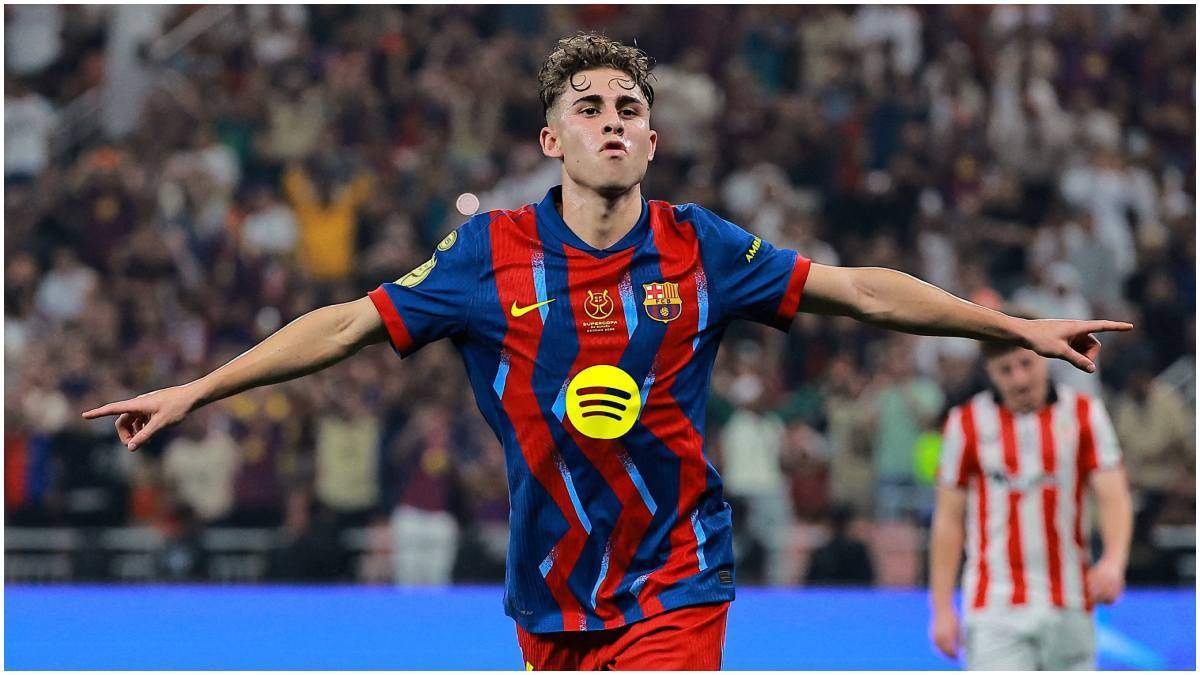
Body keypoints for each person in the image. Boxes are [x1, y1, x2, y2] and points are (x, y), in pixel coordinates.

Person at [84, 33, 1131, 670]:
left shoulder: (701, 245)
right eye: (588, 108)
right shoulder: (489, 255)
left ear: (653, 138)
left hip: (679, 569)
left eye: (631, 108)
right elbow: (350, 322)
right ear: (553, 141)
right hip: (550, 588)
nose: (613, 121)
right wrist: (201, 387)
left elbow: (857, 290)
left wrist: (1015, 327)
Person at [928, 339, 1133, 670]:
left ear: (1047, 360)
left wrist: (1113, 560)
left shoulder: (1084, 413)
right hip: (993, 604)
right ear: (989, 373)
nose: (1019, 379)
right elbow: (948, 521)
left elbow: (1114, 494)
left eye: (1027, 364)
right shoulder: (964, 423)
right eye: (1006, 370)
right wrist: (940, 609)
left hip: (1070, 601)